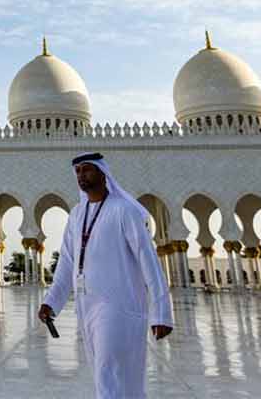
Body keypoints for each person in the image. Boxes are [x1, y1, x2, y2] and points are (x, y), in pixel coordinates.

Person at [37, 152, 173, 398]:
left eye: (87, 170)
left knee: (106, 369)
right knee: (112, 375)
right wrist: (51, 301)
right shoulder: (77, 214)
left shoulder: (123, 211)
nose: (81, 175)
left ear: (103, 173)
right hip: (86, 305)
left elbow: (148, 261)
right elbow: (67, 264)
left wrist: (161, 312)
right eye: (77, 171)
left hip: (119, 305)